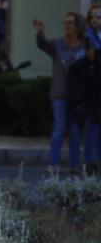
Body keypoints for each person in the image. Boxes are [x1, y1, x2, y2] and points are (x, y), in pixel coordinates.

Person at [36, 14, 90, 174]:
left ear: (77, 25)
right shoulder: (57, 44)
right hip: (59, 93)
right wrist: (40, 32)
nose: (66, 25)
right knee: (59, 128)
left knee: (74, 131)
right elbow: (43, 45)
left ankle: (74, 166)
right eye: (64, 22)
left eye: (70, 22)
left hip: (77, 95)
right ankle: (53, 165)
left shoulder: (85, 46)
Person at [84, 3, 101, 175]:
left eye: (99, 16)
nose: (95, 19)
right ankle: (91, 162)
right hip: (92, 87)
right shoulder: (87, 37)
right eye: (93, 16)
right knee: (93, 125)